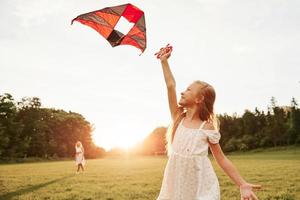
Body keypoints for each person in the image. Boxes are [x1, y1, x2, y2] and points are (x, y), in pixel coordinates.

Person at [155, 45, 261, 200]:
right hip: (175, 183)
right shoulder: (178, 118)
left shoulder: (207, 128)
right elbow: (171, 85)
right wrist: (164, 61)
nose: (183, 92)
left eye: (189, 90)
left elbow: (221, 159)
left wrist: (242, 184)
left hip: (200, 185)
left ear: (199, 99)